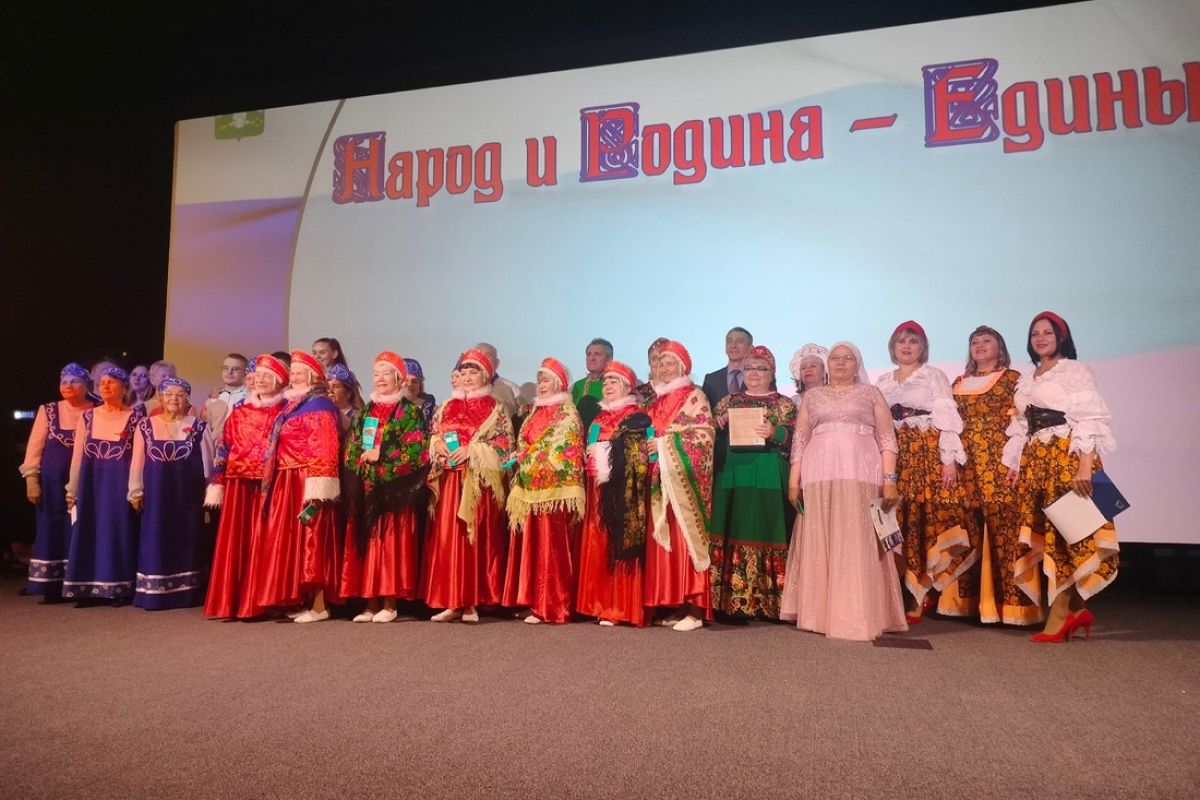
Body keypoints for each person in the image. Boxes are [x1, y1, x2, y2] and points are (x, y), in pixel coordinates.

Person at [1003, 311, 1118, 642]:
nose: (1040, 338)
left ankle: (1060, 614)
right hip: (1038, 461)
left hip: (1067, 456)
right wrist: (1015, 464)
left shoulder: (1075, 370)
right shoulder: (1029, 378)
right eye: (1035, 333)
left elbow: (1089, 417)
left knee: (1073, 534)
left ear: (1061, 338)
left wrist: (1084, 466)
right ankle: (1077, 610)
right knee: (1052, 533)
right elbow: (1022, 424)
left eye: (1048, 333)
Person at [780, 342, 908, 641]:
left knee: (857, 538)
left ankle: (858, 614)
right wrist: (794, 481)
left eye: (847, 358)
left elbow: (887, 438)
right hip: (818, 473)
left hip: (860, 472)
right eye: (835, 358)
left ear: (857, 363)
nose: (840, 363)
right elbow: (800, 439)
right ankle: (819, 615)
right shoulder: (813, 396)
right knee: (821, 536)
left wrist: (889, 479)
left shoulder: (871, 393)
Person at [941, 325, 1039, 623]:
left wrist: (1015, 462)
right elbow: (949, 425)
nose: (980, 345)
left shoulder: (1012, 379)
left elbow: (1022, 423)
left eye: (987, 341)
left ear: (1000, 347)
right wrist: (949, 459)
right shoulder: (959, 383)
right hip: (966, 466)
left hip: (999, 465)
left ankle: (1012, 607)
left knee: (1004, 530)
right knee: (967, 529)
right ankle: (966, 603)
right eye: (974, 342)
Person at [875, 321, 969, 624]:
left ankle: (920, 594)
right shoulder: (883, 381)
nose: (906, 346)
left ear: (922, 348)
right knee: (896, 521)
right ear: (893, 347)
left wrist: (948, 460)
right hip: (894, 456)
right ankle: (897, 592)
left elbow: (946, 416)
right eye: (901, 341)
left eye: (913, 341)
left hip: (923, 453)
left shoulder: (933, 376)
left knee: (921, 520)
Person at [422, 348, 515, 623]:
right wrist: (437, 445)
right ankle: (452, 599)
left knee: (472, 539)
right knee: (449, 540)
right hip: (450, 481)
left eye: (473, 372)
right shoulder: (446, 407)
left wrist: (472, 450)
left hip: (477, 483)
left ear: (486, 375)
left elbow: (505, 445)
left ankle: (472, 601)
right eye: (463, 372)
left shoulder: (495, 409)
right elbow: (434, 433)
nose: (467, 377)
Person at [254, 350, 344, 623]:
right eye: (292, 373)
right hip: (287, 481)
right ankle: (300, 598)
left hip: (307, 480)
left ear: (313, 376)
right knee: (292, 542)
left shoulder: (320, 406)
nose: (293, 377)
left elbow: (325, 449)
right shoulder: (295, 404)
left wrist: (317, 492)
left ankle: (319, 605)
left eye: (299, 373)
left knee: (312, 540)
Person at [341, 352, 430, 623]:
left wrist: (383, 455)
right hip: (367, 487)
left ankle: (390, 602)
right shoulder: (366, 411)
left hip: (393, 493)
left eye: (386, 373)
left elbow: (417, 451)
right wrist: (360, 458)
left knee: (390, 546)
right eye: (376, 373)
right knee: (368, 544)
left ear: (399, 379)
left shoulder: (409, 412)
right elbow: (352, 446)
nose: (380, 378)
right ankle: (370, 602)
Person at [710, 345, 796, 620]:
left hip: (768, 474)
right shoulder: (728, 402)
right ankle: (730, 604)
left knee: (768, 530)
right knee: (732, 528)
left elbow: (796, 438)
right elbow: (707, 433)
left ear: (772, 372)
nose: (754, 373)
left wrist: (776, 432)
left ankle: (772, 605)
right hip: (733, 473)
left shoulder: (784, 404)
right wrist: (718, 423)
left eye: (761, 368)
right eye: (749, 368)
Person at [202, 354, 288, 619]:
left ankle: (263, 600)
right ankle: (233, 601)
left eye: (267, 376)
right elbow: (224, 447)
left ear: (279, 381)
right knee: (237, 542)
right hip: (239, 485)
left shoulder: (286, 411)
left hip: (270, 486)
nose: (260, 381)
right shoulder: (239, 412)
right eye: (258, 376)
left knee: (265, 542)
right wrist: (218, 482)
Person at [503, 357, 586, 624]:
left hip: (554, 493)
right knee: (533, 547)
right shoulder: (535, 412)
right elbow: (526, 443)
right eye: (539, 380)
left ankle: (553, 605)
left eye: (546, 380)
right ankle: (534, 601)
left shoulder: (567, 414)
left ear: (559, 384)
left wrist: (527, 457)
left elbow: (561, 450)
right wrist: (519, 455)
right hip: (530, 489)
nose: (540, 385)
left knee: (552, 548)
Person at [575, 360, 651, 627]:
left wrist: (607, 453)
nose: (607, 385)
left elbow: (641, 454)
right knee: (597, 543)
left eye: (614, 381)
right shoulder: (598, 418)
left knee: (616, 543)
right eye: (605, 381)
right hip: (596, 488)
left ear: (628, 387)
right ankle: (595, 603)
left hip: (623, 492)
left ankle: (618, 608)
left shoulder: (636, 416)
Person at [645, 340, 714, 632]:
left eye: (670, 363)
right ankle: (676, 603)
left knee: (687, 539)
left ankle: (696, 609)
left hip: (685, 481)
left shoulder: (694, 396)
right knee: (668, 540)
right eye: (660, 363)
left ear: (683, 367)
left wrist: (663, 445)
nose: (664, 368)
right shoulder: (656, 401)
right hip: (661, 480)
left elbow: (704, 436)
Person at [128, 377, 211, 609]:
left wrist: (209, 493)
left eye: (180, 395)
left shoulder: (199, 426)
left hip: (188, 498)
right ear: (160, 398)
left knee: (187, 540)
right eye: (169, 394)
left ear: (187, 399)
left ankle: (186, 593)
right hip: (156, 496)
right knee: (156, 538)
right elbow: (137, 462)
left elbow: (208, 464)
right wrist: (136, 491)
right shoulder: (145, 426)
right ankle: (155, 594)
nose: (174, 399)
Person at [63, 366, 142, 602]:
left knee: (117, 532)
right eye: (102, 383)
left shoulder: (136, 418)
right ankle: (86, 588)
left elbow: (139, 458)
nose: (105, 386)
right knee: (89, 530)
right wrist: (72, 488)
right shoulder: (88, 417)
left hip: (118, 485)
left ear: (124, 388)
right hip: (91, 485)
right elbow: (77, 456)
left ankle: (117, 588)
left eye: (111, 382)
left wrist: (135, 490)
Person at [19, 363, 94, 600]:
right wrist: (32, 480)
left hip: (86, 482)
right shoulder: (49, 410)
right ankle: (50, 586)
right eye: (64, 382)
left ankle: (78, 583)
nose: (68, 386)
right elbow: (34, 448)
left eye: (75, 381)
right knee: (51, 528)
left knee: (80, 528)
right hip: (52, 484)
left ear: (87, 386)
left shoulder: (96, 410)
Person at [701, 326, 754, 412]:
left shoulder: (759, 378)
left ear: (750, 348)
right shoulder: (711, 379)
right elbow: (704, 412)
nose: (733, 346)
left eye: (739, 341)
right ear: (725, 347)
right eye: (729, 341)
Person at [571, 338, 613, 432]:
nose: (591, 358)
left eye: (597, 354)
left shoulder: (617, 385)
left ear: (609, 360)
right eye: (588, 354)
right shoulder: (577, 386)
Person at [473, 342, 523, 419]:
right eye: (478, 356)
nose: (483, 360)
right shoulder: (463, 389)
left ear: (497, 363)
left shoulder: (511, 388)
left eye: (487, 356)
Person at [788, 343, 828, 409]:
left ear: (824, 371)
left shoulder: (836, 398)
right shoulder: (792, 403)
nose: (808, 370)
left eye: (813, 366)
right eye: (803, 368)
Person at [326, 363, 363, 432]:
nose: (330, 390)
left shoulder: (358, 415)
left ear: (348, 393)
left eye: (336, 386)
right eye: (328, 387)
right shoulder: (325, 412)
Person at [634, 337, 669, 407]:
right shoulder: (635, 395)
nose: (659, 362)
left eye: (663, 357)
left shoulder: (685, 392)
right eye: (654, 358)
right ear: (649, 362)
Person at [404, 357, 437, 429]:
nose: (409, 385)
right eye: (405, 381)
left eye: (414, 381)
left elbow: (449, 431)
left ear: (420, 385)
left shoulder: (433, 409)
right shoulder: (383, 408)